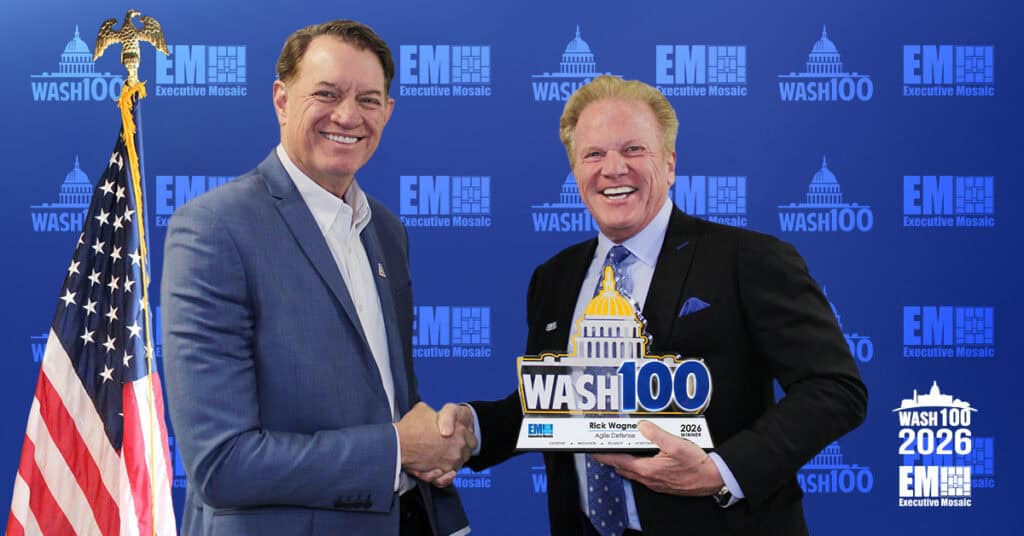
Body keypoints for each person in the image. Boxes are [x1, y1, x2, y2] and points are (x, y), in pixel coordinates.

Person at [440, 75, 867, 535]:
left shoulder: (748, 259)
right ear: (575, 171)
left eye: (633, 150)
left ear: (669, 163)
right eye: (594, 154)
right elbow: (565, 407)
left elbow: (834, 388)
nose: (613, 168)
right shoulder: (554, 277)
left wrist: (721, 472)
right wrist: (474, 428)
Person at [162, 20, 473, 536]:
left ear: (388, 112)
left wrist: (439, 438)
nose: (348, 115)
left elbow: (388, 401)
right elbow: (222, 463)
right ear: (282, 100)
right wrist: (399, 447)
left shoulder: (387, 231)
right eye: (326, 94)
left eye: (368, 100)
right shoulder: (215, 228)